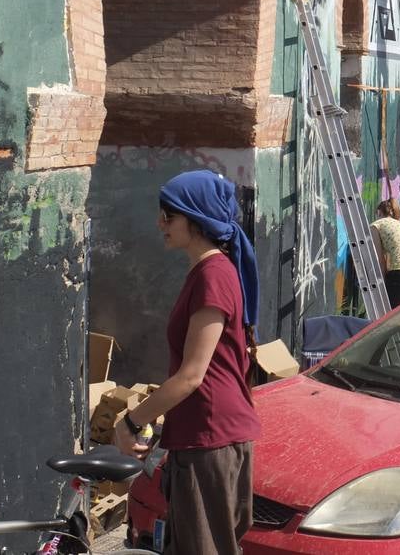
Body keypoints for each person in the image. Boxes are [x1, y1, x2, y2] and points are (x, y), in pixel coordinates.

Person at [114, 170, 260, 555]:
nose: (160, 223)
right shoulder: (209, 272)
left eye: (169, 215)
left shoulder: (214, 275)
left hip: (210, 437)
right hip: (205, 434)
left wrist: (131, 422)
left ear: (195, 220)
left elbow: (192, 376)